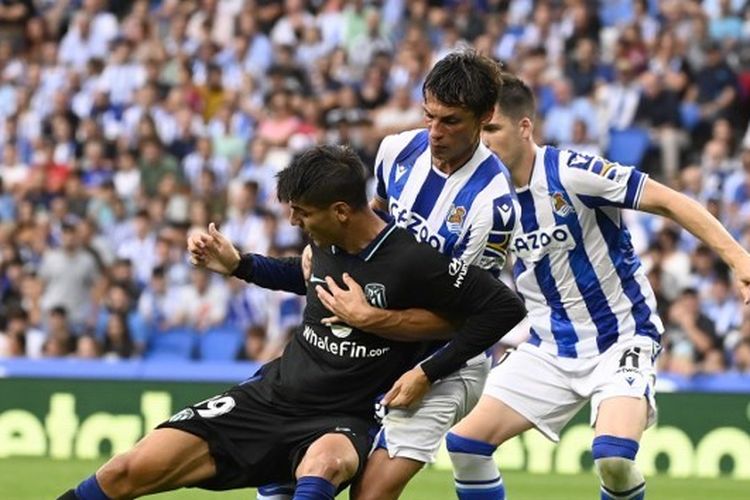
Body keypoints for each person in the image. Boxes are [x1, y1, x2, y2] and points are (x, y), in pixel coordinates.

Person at [57, 145, 525, 500]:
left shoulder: (413, 261)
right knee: (125, 471)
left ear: (341, 211)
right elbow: (303, 276)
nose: (295, 222)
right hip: (273, 396)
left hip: (344, 417)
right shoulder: (324, 240)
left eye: (302, 213)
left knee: (325, 466)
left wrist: (428, 371)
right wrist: (240, 264)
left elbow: (503, 309)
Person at [445, 73, 750, 500]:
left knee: (614, 459)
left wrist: (738, 258)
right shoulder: (483, 197)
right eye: (479, 132)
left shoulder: (572, 172)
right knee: (465, 446)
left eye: (492, 129)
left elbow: (670, 200)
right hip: (551, 347)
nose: (484, 141)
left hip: (620, 338)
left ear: (524, 127)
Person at [252, 50, 517, 500]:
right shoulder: (397, 151)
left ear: (486, 116)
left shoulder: (493, 205)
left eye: (451, 121)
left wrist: (408, 355)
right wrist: (325, 253)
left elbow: (472, 318)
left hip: (444, 363)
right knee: (282, 468)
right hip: (372, 354)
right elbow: (368, 233)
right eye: (429, 116)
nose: (435, 133)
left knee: (369, 495)